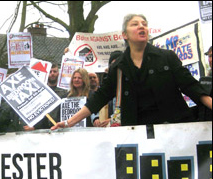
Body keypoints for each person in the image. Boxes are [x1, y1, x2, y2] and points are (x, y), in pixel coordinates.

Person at [52, 14, 212, 130]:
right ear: (125, 35)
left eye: (144, 23)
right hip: (137, 133)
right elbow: (99, 98)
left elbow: (192, 87)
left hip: (175, 130)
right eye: (135, 24)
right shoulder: (119, 67)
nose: (141, 26)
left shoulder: (167, 58)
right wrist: (69, 122)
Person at [32, 64, 68, 130]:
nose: (52, 74)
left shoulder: (64, 92)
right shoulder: (41, 90)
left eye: (55, 71)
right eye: (50, 72)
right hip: (42, 127)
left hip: (59, 125)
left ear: (58, 73)